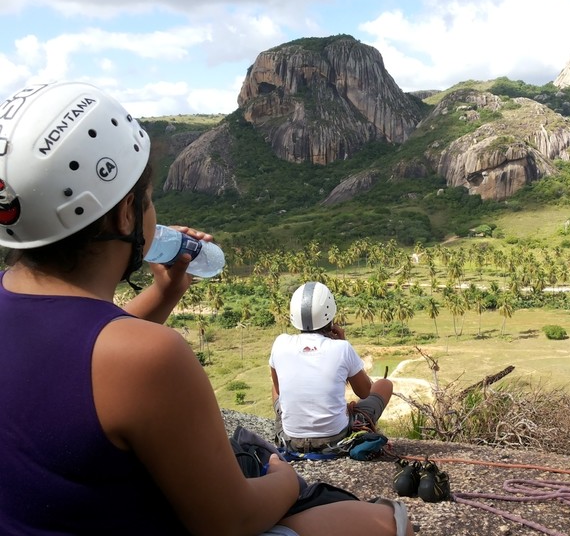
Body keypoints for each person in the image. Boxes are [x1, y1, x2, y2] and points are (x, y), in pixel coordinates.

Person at [0, 82, 412, 536]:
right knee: (382, 522)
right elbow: (229, 521)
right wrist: (285, 480)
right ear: (125, 215)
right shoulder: (149, 356)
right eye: (150, 198)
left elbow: (75, 356)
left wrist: (168, 290)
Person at [270, 281, 393, 454]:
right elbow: (365, 392)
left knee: (275, 389)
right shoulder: (342, 348)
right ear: (330, 316)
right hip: (335, 441)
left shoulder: (280, 343)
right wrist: (343, 343)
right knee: (385, 385)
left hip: (290, 441)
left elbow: (279, 389)